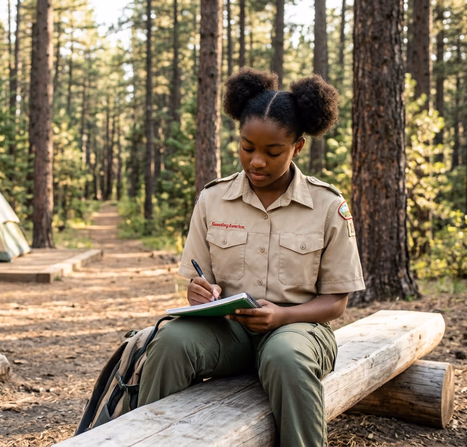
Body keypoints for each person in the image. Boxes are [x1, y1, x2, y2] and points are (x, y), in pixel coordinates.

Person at [137, 68, 365, 447]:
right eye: (247, 147)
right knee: (170, 342)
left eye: (272, 151)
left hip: (299, 332)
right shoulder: (213, 199)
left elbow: (336, 302)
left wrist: (282, 315)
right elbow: (199, 281)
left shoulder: (328, 206)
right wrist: (199, 292)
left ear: (297, 147)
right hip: (229, 333)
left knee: (285, 357)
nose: (257, 161)